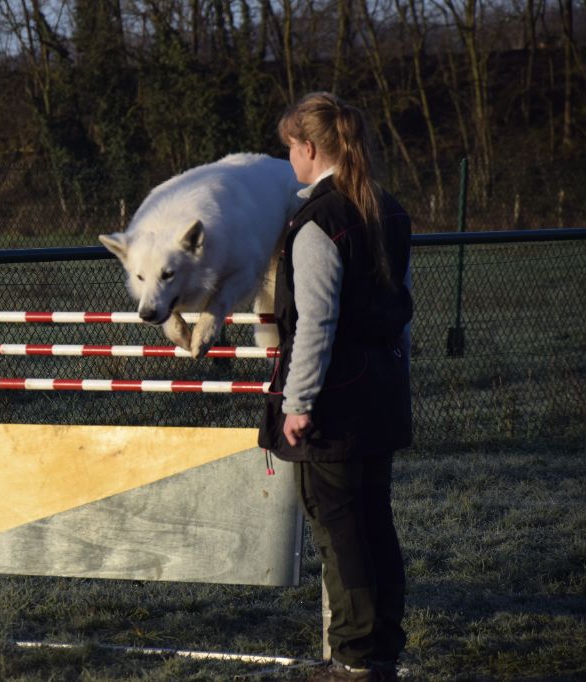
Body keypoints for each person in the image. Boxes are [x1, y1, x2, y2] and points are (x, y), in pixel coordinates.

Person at [257, 92, 413, 682]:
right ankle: (384, 651)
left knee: (339, 528)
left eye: (290, 149)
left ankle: (352, 659)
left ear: (310, 147)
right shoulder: (387, 208)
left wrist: (296, 404)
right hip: (381, 392)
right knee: (374, 520)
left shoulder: (318, 221)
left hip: (334, 404)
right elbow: (402, 310)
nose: (288, 161)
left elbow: (314, 323)